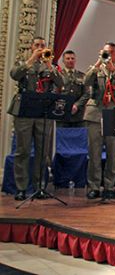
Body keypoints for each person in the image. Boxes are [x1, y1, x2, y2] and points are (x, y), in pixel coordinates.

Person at [9, 36, 64, 200]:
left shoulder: (50, 66)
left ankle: (40, 187)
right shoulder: (23, 64)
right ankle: (21, 188)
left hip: (43, 112)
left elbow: (61, 82)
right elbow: (15, 75)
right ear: (32, 47)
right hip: (25, 111)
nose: (40, 48)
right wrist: (31, 60)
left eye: (43, 46)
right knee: (23, 151)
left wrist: (49, 65)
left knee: (42, 152)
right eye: (37, 45)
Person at [83, 42, 115, 200]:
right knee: (94, 153)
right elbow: (86, 82)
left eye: (111, 53)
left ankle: (109, 186)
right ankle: (94, 186)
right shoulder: (95, 68)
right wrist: (98, 64)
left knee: (113, 152)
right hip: (95, 113)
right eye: (106, 52)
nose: (108, 55)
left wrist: (114, 71)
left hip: (113, 114)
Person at [57, 50, 89, 128]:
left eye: (72, 58)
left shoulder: (82, 75)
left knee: (78, 138)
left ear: (75, 60)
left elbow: (87, 93)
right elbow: (55, 92)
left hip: (78, 115)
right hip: (62, 114)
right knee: (62, 138)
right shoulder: (58, 75)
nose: (70, 60)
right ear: (63, 61)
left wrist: (76, 105)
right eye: (68, 58)